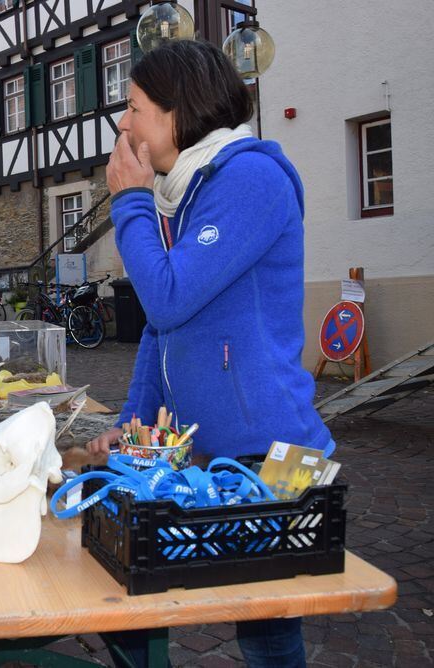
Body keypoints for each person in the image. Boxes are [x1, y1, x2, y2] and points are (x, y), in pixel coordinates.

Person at [86, 40, 332, 668]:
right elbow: (160, 332)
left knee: (269, 628)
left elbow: (166, 298)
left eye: (135, 108)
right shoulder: (182, 191)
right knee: (134, 595)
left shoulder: (251, 177)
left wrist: (130, 203)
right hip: (207, 447)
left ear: (178, 111)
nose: (124, 124)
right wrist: (132, 426)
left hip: (276, 448)